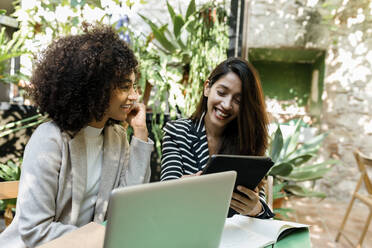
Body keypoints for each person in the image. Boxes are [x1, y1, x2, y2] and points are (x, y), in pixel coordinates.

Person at [0, 23, 153, 247]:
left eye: (134, 86)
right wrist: (104, 237)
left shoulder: (116, 137)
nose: (134, 96)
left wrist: (140, 135)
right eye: (124, 87)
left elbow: (129, 207)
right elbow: (35, 230)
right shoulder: (50, 139)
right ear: (97, 88)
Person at [160, 57, 274, 218]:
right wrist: (186, 184)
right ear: (207, 88)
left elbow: (261, 205)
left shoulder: (247, 138)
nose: (227, 105)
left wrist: (254, 208)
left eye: (238, 100)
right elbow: (164, 191)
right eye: (221, 93)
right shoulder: (177, 131)